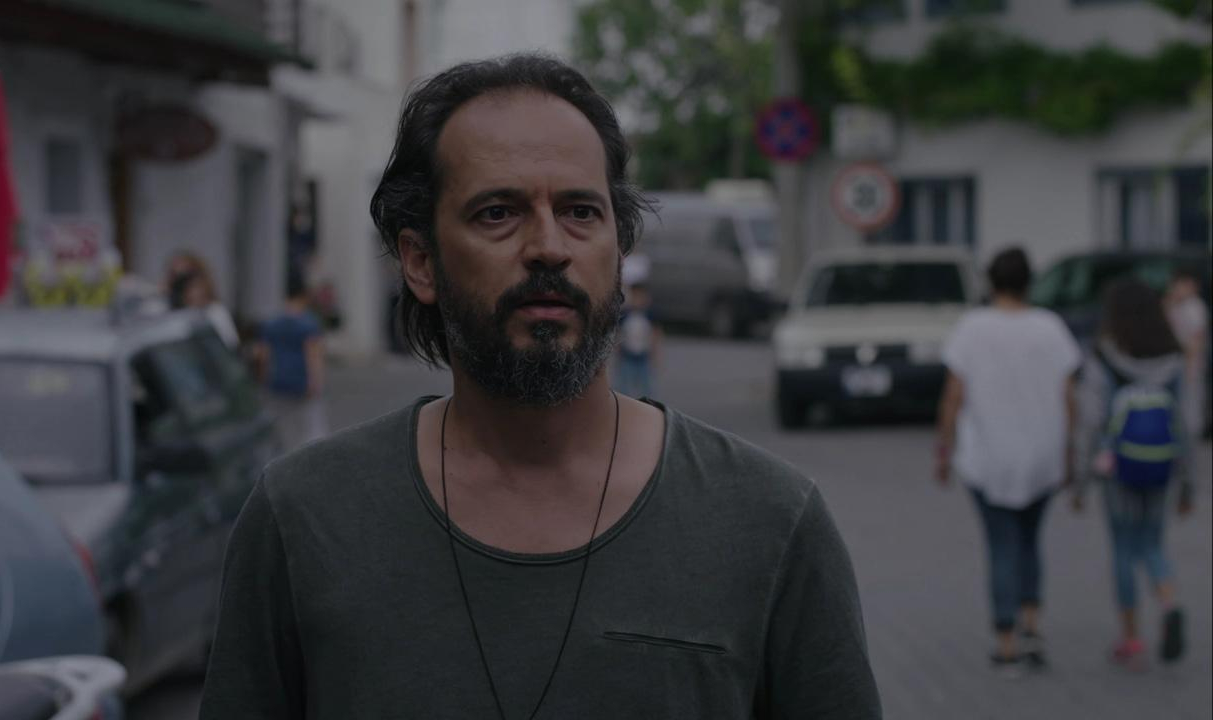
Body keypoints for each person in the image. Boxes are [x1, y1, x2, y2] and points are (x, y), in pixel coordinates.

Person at [199, 54, 880, 719]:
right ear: (420, 261)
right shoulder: (303, 517)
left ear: (620, 251)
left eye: (581, 211)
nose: (550, 246)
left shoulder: (769, 520)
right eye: (498, 212)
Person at [935, 247, 1080, 677]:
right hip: (1042, 456)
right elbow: (1069, 396)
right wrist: (1070, 450)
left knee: (1001, 545)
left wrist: (944, 449)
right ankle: (1032, 626)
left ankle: (1006, 643)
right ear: (1028, 282)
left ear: (991, 282)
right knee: (1030, 542)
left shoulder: (971, 328)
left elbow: (953, 396)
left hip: (988, 457)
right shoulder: (1050, 327)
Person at [1072, 279, 1194, 669]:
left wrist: (1080, 480)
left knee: (1124, 547)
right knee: (1153, 542)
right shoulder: (1173, 357)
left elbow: (1091, 421)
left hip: (1117, 469)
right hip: (1162, 465)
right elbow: (1186, 424)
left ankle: (1131, 639)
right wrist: (1189, 483)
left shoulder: (1104, 356)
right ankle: (1170, 603)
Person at [255, 272, 327, 449]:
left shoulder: (271, 324)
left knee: (283, 427)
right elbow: (313, 356)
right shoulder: (309, 323)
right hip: (301, 381)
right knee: (309, 428)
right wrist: (316, 381)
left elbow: (264, 356)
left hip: (278, 380)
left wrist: (264, 378)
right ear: (304, 295)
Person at [1164, 268, 1208, 438]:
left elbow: (1197, 340)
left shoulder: (1195, 307)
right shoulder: (1175, 304)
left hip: (1190, 364)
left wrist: (1190, 367)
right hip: (1176, 363)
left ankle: (1190, 438)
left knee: (1190, 405)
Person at [163, 251, 240, 348]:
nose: (182, 285)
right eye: (175, 277)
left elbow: (230, 346)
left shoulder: (215, 312)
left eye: (187, 279)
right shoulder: (162, 309)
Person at [613, 280, 661, 399]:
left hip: (644, 356)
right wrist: (617, 351)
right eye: (635, 296)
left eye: (641, 297)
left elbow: (655, 334)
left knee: (646, 385)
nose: (638, 300)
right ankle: (623, 404)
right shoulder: (625, 314)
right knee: (623, 384)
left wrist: (656, 354)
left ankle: (648, 404)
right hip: (627, 355)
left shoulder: (650, 314)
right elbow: (619, 333)